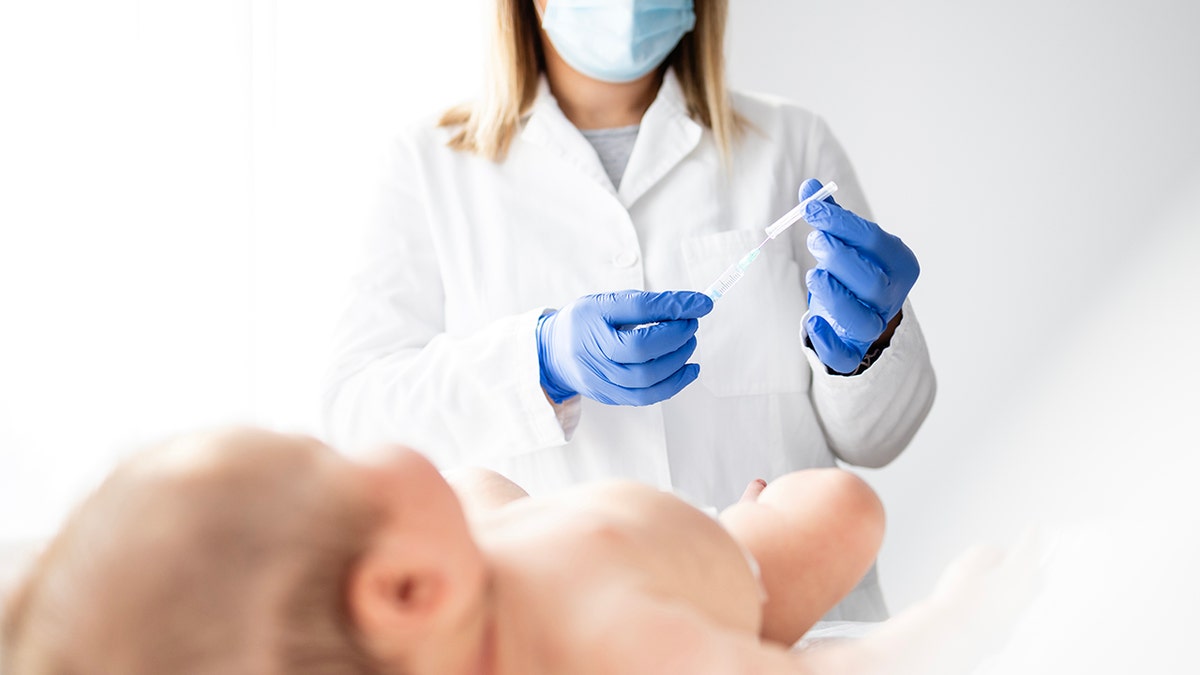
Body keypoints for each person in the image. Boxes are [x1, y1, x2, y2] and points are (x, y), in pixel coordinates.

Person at [323, 0, 936, 619]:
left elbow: (880, 439)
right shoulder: (426, 165)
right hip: (560, 628)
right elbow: (358, 419)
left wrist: (872, 345)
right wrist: (539, 360)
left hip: (789, 622)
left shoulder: (791, 142)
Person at [1, 428, 1031, 675]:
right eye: (332, 461)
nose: (358, 447)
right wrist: (940, 626)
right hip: (720, 568)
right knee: (842, 507)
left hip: (530, 538)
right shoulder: (619, 642)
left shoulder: (443, 584)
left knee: (477, 481)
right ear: (407, 590)